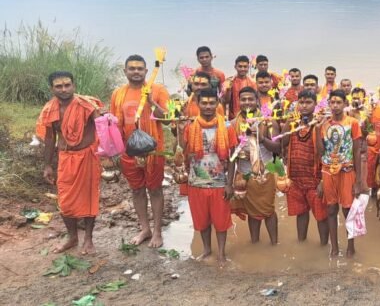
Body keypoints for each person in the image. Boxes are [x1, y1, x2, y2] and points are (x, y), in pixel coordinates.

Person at [38, 71, 103, 255]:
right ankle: (72, 237)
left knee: (89, 198)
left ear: (73, 85)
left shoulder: (87, 105)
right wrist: (47, 165)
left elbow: (102, 128)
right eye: (59, 86)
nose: (64, 89)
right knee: (65, 201)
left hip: (88, 156)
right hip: (66, 157)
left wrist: (104, 118)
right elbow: (50, 138)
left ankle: (88, 238)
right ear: (52, 89)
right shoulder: (49, 109)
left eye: (67, 85)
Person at [110, 55, 170, 248]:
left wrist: (151, 101)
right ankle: (145, 228)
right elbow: (115, 123)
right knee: (136, 190)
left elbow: (168, 119)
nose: (136, 72)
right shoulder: (118, 93)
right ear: (125, 71)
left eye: (139, 68)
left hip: (153, 150)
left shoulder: (158, 90)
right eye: (132, 68)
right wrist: (114, 151)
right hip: (128, 150)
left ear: (146, 71)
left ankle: (157, 231)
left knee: (155, 189)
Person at [180, 89, 237, 268]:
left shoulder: (227, 127)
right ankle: (206, 250)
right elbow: (182, 151)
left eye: (212, 103)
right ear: (197, 104)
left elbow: (233, 157)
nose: (208, 106)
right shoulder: (190, 126)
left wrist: (230, 183)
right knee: (202, 220)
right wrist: (179, 131)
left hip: (219, 181)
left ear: (217, 104)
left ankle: (221, 253)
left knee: (221, 221)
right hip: (196, 181)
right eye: (204, 103)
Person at [271, 89, 329, 245]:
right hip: (296, 178)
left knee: (321, 216)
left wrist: (323, 181)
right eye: (301, 102)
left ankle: (324, 246)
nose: (304, 106)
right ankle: (301, 243)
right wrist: (288, 124)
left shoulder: (321, 124)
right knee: (301, 213)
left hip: (315, 179)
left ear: (315, 105)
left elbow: (324, 153)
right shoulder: (294, 123)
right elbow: (283, 144)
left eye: (308, 102)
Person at [317, 89, 364, 257]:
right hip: (328, 172)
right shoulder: (323, 124)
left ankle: (351, 247)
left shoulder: (352, 122)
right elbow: (320, 152)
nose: (335, 105)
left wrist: (358, 180)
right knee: (331, 210)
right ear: (329, 104)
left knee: (348, 211)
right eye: (332, 102)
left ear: (345, 104)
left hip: (347, 171)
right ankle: (334, 248)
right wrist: (317, 129)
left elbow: (357, 151)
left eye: (339, 102)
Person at [230, 86, 279, 245]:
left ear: (257, 101)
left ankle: (274, 244)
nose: (247, 102)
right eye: (243, 99)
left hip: (266, 173)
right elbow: (231, 155)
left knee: (269, 210)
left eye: (250, 99)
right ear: (239, 102)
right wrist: (229, 182)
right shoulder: (233, 124)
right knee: (252, 212)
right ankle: (255, 243)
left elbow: (278, 148)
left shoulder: (268, 121)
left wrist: (262, 138)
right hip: (244, 174)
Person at [223, 55, 257, 120]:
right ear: (235, 67)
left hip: (250, 117)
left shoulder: (253, 83)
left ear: (248, 67)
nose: (243, 69)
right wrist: (228, 89)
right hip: (233, 117)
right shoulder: (229, 81)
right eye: (240, 66)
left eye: (245, 67)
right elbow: (226, 101)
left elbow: (255, 101)